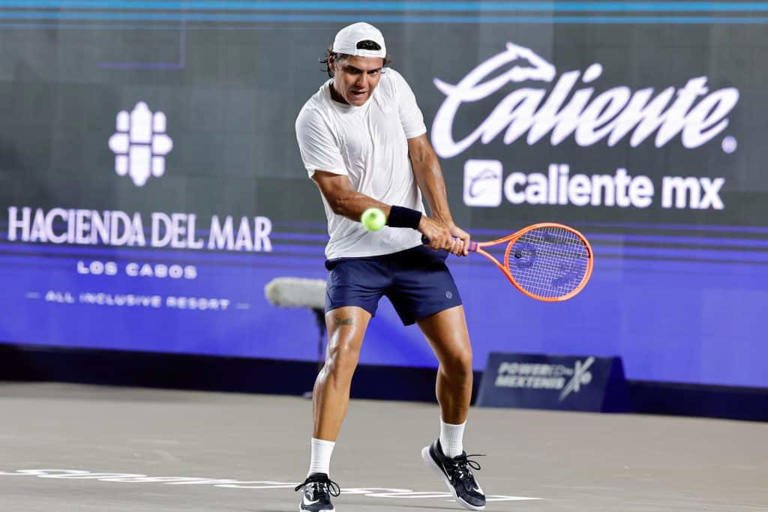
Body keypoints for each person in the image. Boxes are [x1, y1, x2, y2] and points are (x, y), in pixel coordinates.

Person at [293, 22, 486, 512]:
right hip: (355, 256)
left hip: (414, 255)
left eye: (373, 72)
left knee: (460, 360)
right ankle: (318, 475)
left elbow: (421, 153)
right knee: (341, 354)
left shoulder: (395, 88)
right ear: (332, 63)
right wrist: (418, 219)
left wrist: (444, 219)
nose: (364, 82)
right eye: (353, 71)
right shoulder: (314, 118)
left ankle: (450, 452)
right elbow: (342, 199)